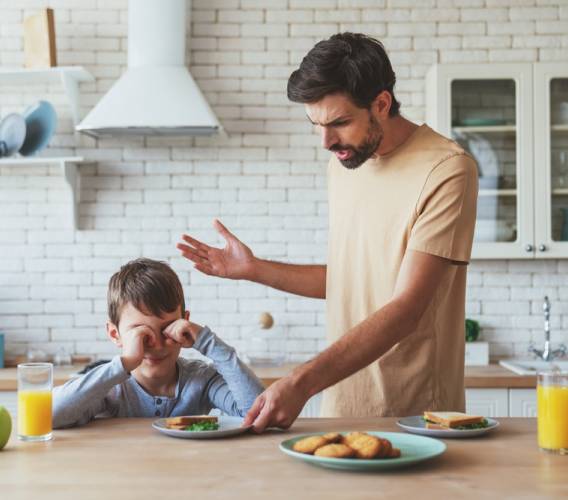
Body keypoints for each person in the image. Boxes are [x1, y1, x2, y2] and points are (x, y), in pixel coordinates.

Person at [177, 33, 478, 432]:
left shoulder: (446, 169)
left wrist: (301, 382)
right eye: (316, 124)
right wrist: (253, 268)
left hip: (417, 413)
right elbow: (349, 282)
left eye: (339, 122)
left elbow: (407, 308)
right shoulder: (346, 163)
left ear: (381, 104)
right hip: (341, 405)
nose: (325, 141)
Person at [53, 258, 263, 428]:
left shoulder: (201, 380)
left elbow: (257, 412)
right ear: (115, 334)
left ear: (185, 324)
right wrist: (126, 362)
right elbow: (50, 414)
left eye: (168, 329)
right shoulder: (108, 386)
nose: (157, 345)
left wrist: (208, 342)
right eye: (141, 334)